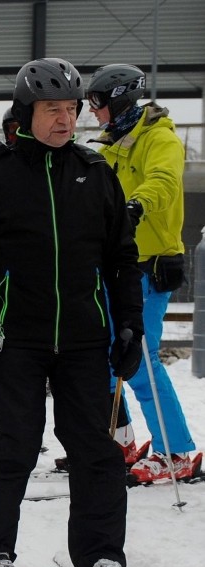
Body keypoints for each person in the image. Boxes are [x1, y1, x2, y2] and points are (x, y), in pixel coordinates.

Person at [0, 58, 144, 567]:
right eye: (52, 109)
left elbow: (121, 258)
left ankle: (100, 556)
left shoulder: (95, 173)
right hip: (18, 336)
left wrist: (128, 323)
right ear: (25, 113)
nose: (64, 119)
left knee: (94, 449)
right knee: (16, 443)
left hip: (85, 336)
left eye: (71, 108)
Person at [86, 63, 198, 483]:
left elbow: (164, 182)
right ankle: (121, 440)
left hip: (152, 265)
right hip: (118, 265)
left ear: (121, 101)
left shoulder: (159, 139)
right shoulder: (113, 144)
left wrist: (135, 207)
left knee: (142, 360)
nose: (93, 113)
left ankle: (177, 451)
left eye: (98, 104)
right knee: (111, 356)